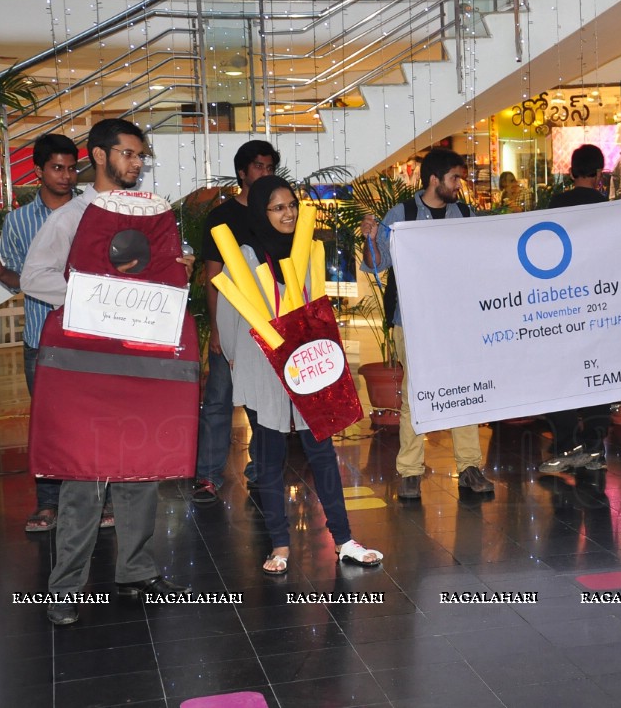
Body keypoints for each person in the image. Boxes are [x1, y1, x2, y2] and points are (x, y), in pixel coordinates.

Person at [22, 119, 194, 625]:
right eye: (128, 154)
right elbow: (35, 277)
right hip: (85, 369)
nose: (137, 164)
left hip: (139, 362)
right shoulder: (71, 216)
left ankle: (136, 571)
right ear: (99, 156)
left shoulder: (154, 216)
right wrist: (95, 303)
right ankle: (67, 587)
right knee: (84, 477)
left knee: (141, 469)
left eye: (141, 156)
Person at [218, 176, 383, 573]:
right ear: (261, 211)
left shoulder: (308, 249)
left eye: (291, 205)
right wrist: (238, 359)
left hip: (307, 366)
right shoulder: (243, 257)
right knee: (268, 458)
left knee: (323, 454)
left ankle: (343, 539)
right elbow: (227, 318)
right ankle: (279, 545)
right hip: (262, 366)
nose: (288, 213)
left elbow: (317, 305)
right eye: (277, 207)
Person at [361, 147, 494, 500]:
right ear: (435, 179)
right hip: (412, 320)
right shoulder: (401, 214)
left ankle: (469, 467)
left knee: (466, 389)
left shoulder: (464, 213)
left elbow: (483, 255)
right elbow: (376, 266)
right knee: (417, 394)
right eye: (455, 178)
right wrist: (370, 240)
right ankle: (409, 472)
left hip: (458, 320)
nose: (459, 185)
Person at [0, 133, 92, 533]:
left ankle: (107, 498)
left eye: (71, 168)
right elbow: (18, 280)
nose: (66, 176)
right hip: (41, 337)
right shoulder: (18, 221)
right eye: (57, 168)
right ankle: (48, 503)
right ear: (38, 172)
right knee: (48, 423)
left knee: (97, 416)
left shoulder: (93, 212)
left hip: (89, 334)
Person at [191, 140, 279, 505]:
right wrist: (215, 331)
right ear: (242, 172)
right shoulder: (222, 216)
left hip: (269, 323)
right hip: (230, 321)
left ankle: (259, 470)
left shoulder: (277, 212)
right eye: (258, 166)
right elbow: (213, 277)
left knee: (264, 401)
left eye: (270, 166)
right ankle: (208, 476)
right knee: (219, 400)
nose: (265, 172)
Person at [538, 145, 615, 473]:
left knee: (561, 374)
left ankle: (566, 445)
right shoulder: (606, 208)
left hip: (561, 302)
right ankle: (595, 445)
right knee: (598, 373)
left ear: (571, 173)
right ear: (599, 174)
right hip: (597, 300)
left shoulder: (555, 204)